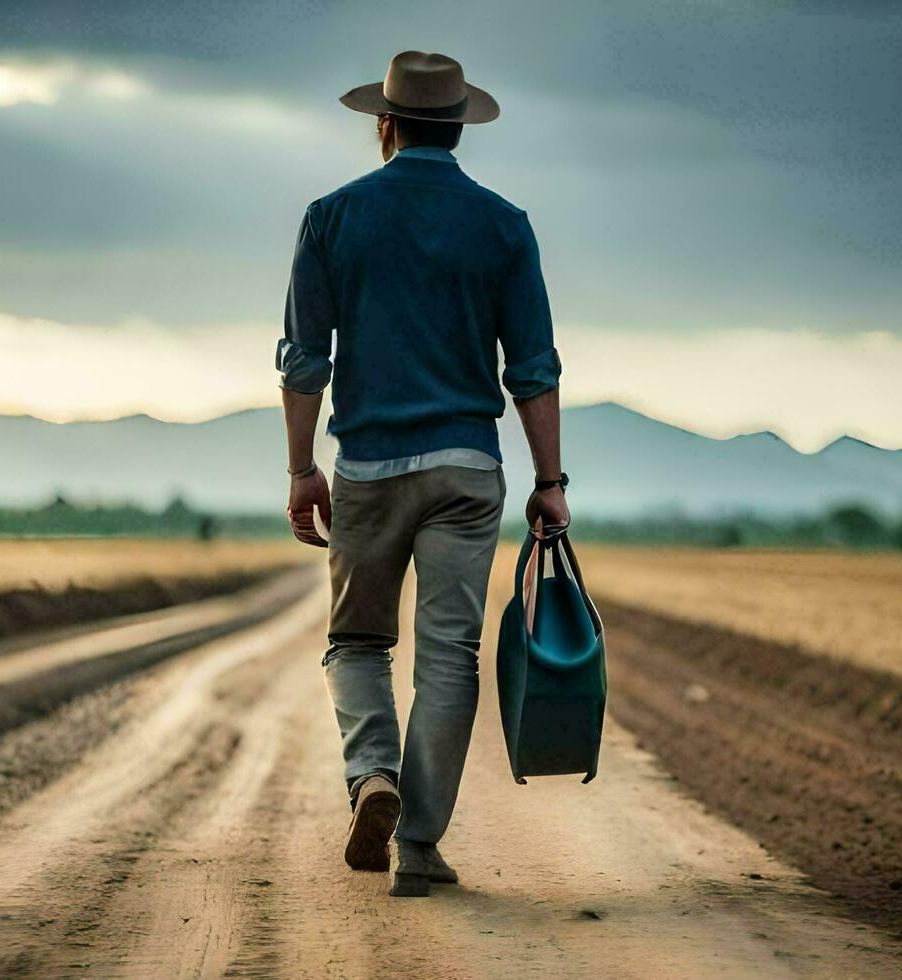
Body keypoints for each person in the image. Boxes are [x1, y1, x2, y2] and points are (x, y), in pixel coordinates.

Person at [276, 51, 568, 898]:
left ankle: (372, 775)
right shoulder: (505, 224)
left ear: (385, 125)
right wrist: (551, 482)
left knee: (358, 640)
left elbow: (304, 362)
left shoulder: (331, 217)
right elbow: (536, 368)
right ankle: (421, 844)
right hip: (467, 471)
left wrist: (303, 470)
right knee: (450, 657)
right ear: (461, 127)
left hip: (366, 466)